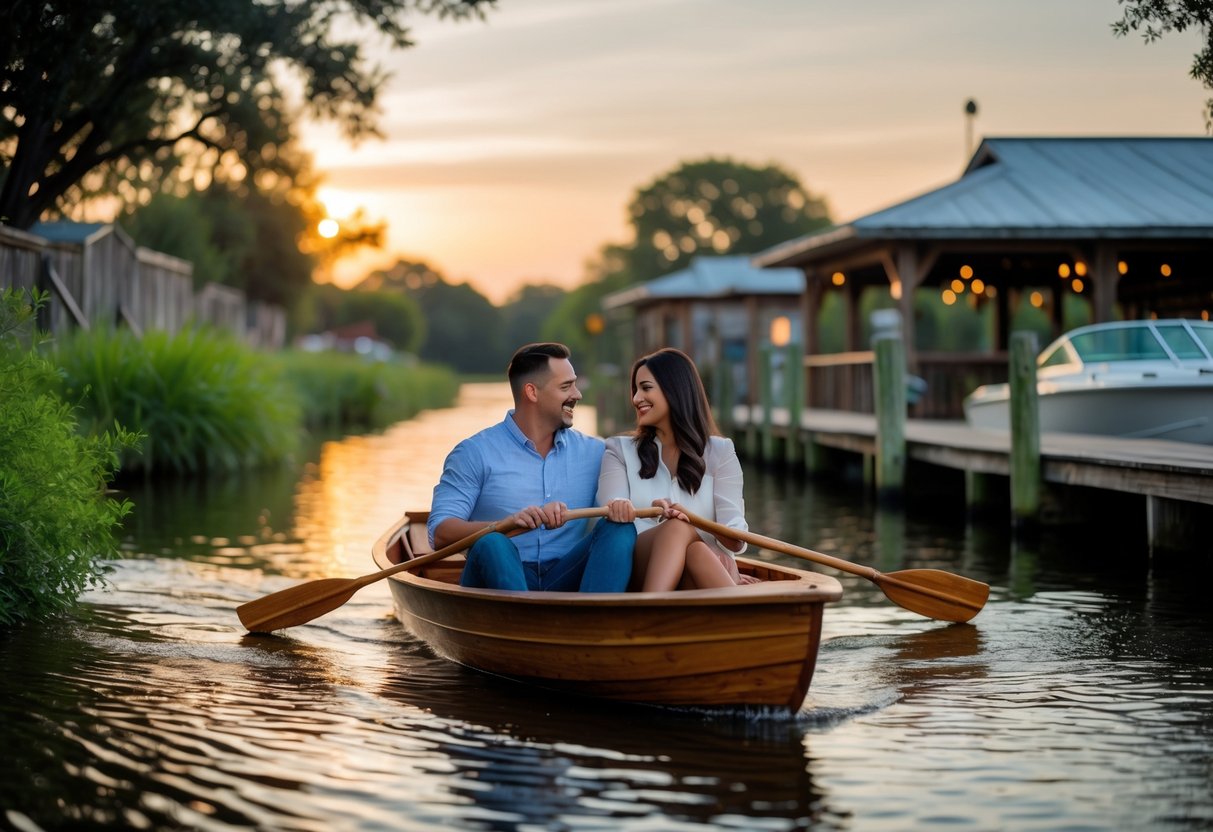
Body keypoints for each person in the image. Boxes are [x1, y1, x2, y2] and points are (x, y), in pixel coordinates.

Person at [428, 342, 637, 591]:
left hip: (566, 576)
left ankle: (595, 626)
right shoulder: (474, 453)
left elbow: (646, 466)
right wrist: (507, 524)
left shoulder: (598, 452)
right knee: (492, 542)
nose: (577, 394)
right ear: (532, 392)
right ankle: (523, 621)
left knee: (618, 529)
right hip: (501, 578)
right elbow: (440, 532)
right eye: (566, 386)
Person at [597, 347, 754, 591]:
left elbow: (735, 539)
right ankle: (651, 608)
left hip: (701, 568)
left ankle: (659, 611)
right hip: (637, 568)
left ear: (675, 391)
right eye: (635, 390)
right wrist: (637, 511)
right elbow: (609, 505)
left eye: (646, 388)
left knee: (696, 551)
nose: (636, 398)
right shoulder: (618, 450)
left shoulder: (721, 452)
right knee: (678, 528)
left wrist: (694, 522)